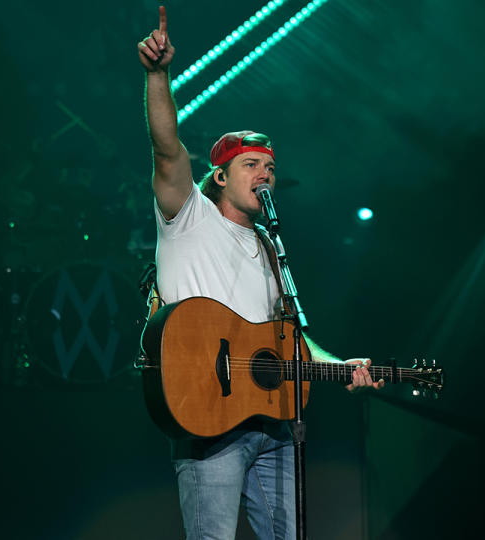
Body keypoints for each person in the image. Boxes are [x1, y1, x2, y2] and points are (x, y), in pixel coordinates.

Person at [138, 6, 383, 539]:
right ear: (220, 177)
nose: (266, 174)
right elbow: (165, 148)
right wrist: (158, 76)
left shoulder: (271, 248)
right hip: (205, 418)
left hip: (271, 421)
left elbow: (288, 336)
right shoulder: (189, 218)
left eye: (270, 166)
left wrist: (342, 367)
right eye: (252, 165)